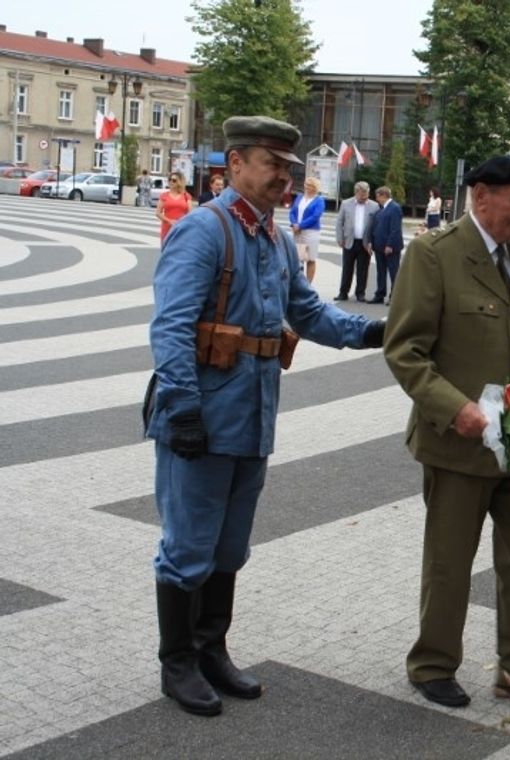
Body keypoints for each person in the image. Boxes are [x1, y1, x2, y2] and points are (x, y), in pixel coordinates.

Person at [146, 115, 386, 717]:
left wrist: (377, 332)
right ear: (235, 164)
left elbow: (309, 313)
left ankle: (211, 649)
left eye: (288, 168)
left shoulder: (276, 241)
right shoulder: (204, 230)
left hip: (252, 416)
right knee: (188, 547)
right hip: (200, 416)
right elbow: (171, 327)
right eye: (272, 165)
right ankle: (177, 663)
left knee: (229, 548)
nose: (284, 177)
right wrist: (181, 409)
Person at [383, 155, 510, 709]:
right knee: (449, 559)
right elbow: (404, 349)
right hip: (457, 443)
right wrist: (455, 408)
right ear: (482, 196)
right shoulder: (434, 255)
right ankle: (432, 664)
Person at [334, 181, 378, 302]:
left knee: (363, 269)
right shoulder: (346, 203)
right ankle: (343, 292)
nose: (364, 198)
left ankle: (360, 293)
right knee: (347, 268)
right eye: (361, 195)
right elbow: (339, 222)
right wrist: (340, 238)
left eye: (366, 195)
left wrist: (372, 242)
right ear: (356, 192)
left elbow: (376, 226)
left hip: (365, 243)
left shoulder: (374, 206)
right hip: (349, 240)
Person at [369, 186, 404, 304]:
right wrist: (372, 242)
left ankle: (394, 297)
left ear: (383, 195)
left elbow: (395, 229)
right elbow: (376, 227)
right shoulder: (382, 208)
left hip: (390, 247)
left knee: (393, 272)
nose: (376, 199)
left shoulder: (394, 208)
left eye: (377, 196)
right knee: (381, 271)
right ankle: (380, 294)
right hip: (379, 246)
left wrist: (389, 245)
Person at [289, 176, 325, 283]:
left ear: (315, 187)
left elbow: (315, 216)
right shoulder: (299, 196)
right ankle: (298, 283)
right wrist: (294, 224)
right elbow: (292, 211)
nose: (306, 187)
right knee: (298, 258)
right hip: (297, 232)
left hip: (311, 232)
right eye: (305, 184)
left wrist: (301, 225)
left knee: (310, 259)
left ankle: (308, 284)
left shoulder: (319, 200)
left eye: (309, 185)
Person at [156, 171, 192, 245]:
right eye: (170, 180)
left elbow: (190, 214)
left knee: (179, 251)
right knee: (166, 251)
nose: (171, 182)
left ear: (180, 182)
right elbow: (158, 213)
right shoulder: (164, 196)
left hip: (181, 228)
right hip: (167, 228)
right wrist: (169, 221)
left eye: (174, 180)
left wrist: (184, 223)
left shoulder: (186, 196)